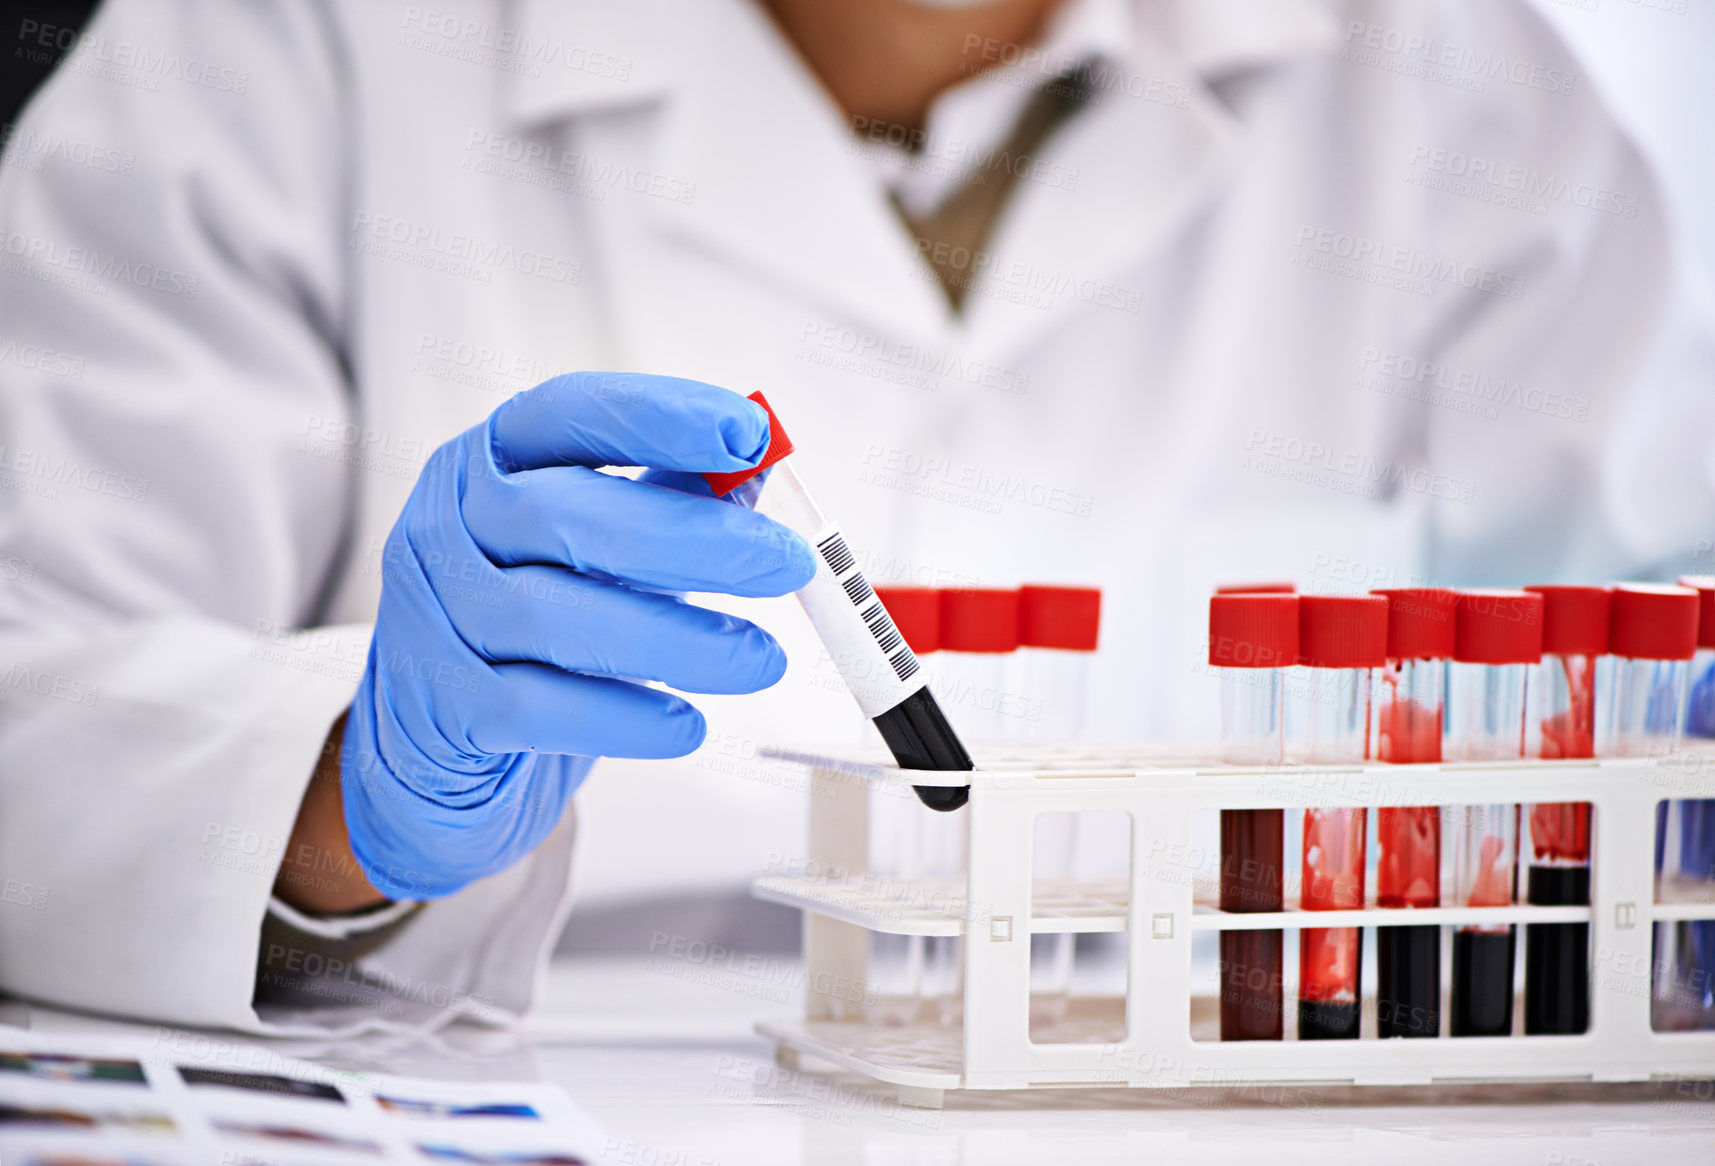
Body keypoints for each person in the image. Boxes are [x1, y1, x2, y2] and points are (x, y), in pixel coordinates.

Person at [0, 0, 1709, 1032]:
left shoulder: (1450, 88)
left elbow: (1637, 672)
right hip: (490, 1082)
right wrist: (343, 793)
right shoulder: (289, 49)